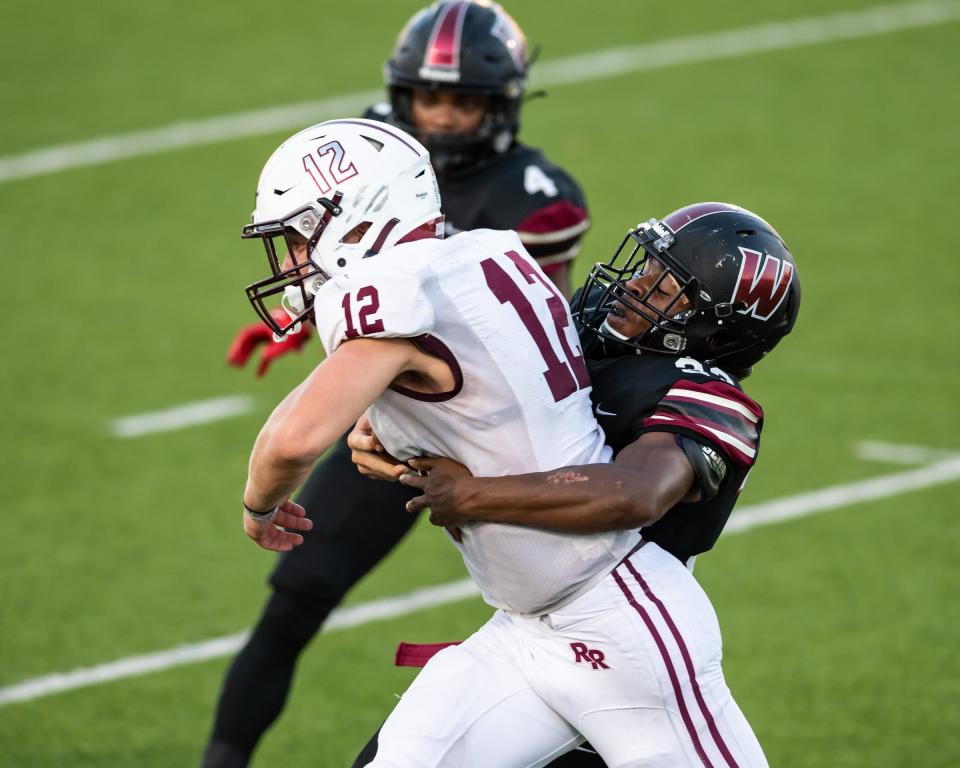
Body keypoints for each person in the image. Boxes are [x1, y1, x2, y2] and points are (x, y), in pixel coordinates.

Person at [204, 3, 590, 766]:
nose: (443, 116)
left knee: (559, 647)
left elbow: (518, 345)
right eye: (429, 97)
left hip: (486, 444)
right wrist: (303, 324)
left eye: (465, 100)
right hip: (381, 420)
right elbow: (355, 287)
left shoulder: (536, 196)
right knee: (299, 594)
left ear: (502, 103)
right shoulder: (371, 155)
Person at [347, 202, 800, 766]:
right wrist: (388, 435)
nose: (633, 285)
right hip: (526, 625)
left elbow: (635, 493)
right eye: (647, 267)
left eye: (662, 289)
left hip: (626, 639)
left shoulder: (709, 398)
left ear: (709, 329)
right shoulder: (589, 331)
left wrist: (472, 496)